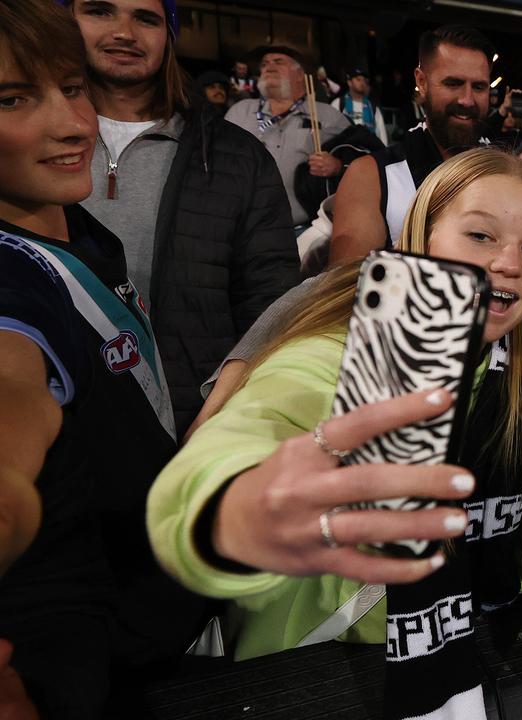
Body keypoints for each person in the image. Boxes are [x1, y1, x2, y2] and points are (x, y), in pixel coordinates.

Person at [147, 148, 522, 719]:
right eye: (481, 236)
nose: (509, 262)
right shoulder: (347, 352)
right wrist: (238, 508)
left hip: (465, 676)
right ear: (422, 240)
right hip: (314, 683)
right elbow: (240, 441)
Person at [0, 1, 204, 715]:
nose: (73, 123)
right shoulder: (12, 279)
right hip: (82, 667)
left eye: (72, 86)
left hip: (160, 619)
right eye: (14, 99)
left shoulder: (79, 231)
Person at [70, 0, 300, 436]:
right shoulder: (20, 143)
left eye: (146, 18)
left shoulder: (238, 157)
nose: (124, 31)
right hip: (51, 423)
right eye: (101, 11)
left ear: (168, 36)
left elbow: (271, 306)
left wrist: (224, 413)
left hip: (187, 425)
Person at [327, 25, 493, 266]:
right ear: (422, 82)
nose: (467, 100)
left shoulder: (505, 171)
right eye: (453, 83)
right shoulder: (373, 175)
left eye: (479, 87)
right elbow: (345, 291)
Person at [225, 46, 351, 229]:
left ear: (300, 74)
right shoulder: (240, 111)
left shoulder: (328, 116)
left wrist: (337, 166)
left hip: (299, 231)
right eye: (264, 64)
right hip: (239, 228)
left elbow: (357, 159)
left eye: (278, 62)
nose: (269, 66)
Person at [331, 68, 387, 145]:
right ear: (349, 82)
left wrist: (384, 154)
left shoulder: (372, 107)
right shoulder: (338, 103)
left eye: (364, 80)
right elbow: (330, 130)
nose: (362, 83)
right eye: (358, 79)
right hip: (345, 151)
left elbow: (382, 135)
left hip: (368, 152)